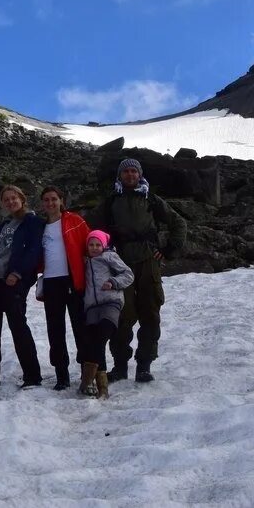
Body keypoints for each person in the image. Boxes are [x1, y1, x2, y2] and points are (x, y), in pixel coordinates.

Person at [86, 157, 187, 383]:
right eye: (126, 172)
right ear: (120, 176)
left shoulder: (150, 198)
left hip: (148, 262)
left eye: (134, 171)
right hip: (121, 265)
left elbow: (178, 222)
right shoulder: (112, 200)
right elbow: (89, 225)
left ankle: (144, 365)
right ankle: (120, 365)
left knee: (150, 313)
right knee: (123, 315)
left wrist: (170, 249)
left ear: (139, 174)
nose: (130, 175)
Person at [0, 185, 45, 388]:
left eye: (14, 198)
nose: (10, 202)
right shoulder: (2, 224)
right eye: (6, 200)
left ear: (22, 199)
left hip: (12, 281)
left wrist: (18, 273)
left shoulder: (32, 222)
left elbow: (34, 251)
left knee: (18, 327)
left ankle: (32, 376)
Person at [37, 186, 89, 390]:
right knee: (55, 329)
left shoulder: (74, 221)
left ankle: (86, 369)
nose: (50, 203)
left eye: (54, 199)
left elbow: (90, 243)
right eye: (46, 200)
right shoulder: (40, 227)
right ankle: (61, 373)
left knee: (80, 326)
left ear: (61, 200)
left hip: (73, 279)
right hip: (51, 281)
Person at [79, 229, 134, 399]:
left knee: (103, 334)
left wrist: (113, 282)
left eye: (98, 245)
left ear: (104, 246)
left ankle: (87, 380)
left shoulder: (110, 257)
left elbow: (128, 274)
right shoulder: (85, 261)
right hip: (92, 306)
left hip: (111, 302)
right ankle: (102, 387)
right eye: (91, 244)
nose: (94, 248)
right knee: (96, 343)